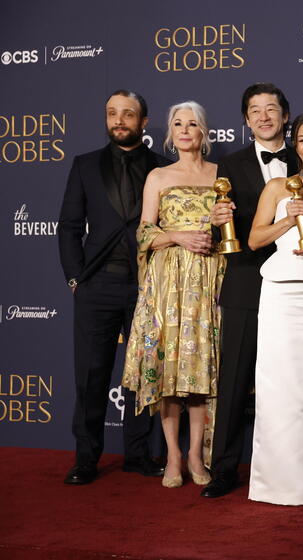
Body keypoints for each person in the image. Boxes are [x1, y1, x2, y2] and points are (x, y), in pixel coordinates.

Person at [58, 89, 168, 485]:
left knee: (141, 374)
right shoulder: (85, 165)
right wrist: (76, 279)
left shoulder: (163, 168)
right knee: (91, 374)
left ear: (143, 120)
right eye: (111, 113)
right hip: (97, 285)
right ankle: (86, 458)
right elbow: (69, 227)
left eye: (127, 114)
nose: (118, 120)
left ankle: (137, 455)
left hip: (146, 285)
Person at [121, 101, 226, 488]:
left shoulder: (220, 175)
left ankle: (197, 454)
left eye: (193, 123)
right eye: (177, 123)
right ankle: (173, 454)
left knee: (199, 369)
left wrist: (215, 228)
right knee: (168, 373)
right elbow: (144, 231)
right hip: (168, 281)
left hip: (209, 278)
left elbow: (232, 229)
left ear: (204, 132)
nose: (185, 129)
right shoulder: (159, 176)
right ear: (169, 133)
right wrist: (177, 236)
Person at [203, 83, 298, 499]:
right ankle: (223, 468)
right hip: (245, 280)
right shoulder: (230, 164)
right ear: (246, 119)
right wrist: (214, 217)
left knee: (292, 381)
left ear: (285, 116)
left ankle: (292, 467)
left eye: (271, 109)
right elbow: (222, 229)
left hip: (296, 285)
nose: (263, 116)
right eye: (255, 110)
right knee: (235, 378)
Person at [246, 112, 303, 505]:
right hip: (282, 296)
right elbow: (253, 239)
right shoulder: (276, 186)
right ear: (294, 144)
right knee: (278, 389)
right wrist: (288, 220)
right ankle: (273, 484)